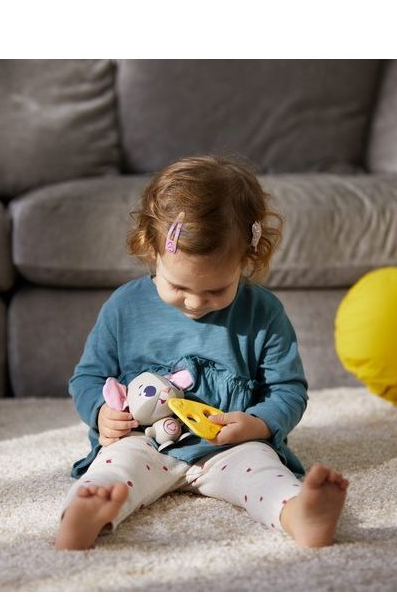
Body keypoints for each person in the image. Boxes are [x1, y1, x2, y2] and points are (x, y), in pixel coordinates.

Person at [56, 155, 349, 550]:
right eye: (179, 287)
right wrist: (100, 413)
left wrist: (256, 425)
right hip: (144, 441)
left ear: (248, 258)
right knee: (111, 472)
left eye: (216, 290)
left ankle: (299, 514)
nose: (195, 303)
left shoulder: (263, 313)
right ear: (151, 249)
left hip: (229, 446)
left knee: (264, 474)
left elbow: (288, 391)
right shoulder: (124, 308)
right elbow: (88, 377)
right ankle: (86, 515)